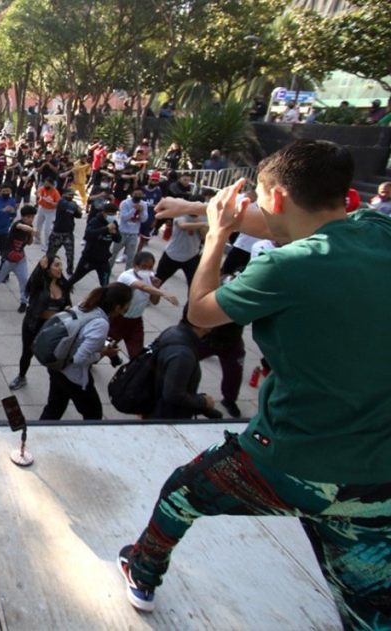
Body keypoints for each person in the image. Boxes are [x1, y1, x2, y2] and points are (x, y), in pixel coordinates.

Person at [117, 140, 391, 628]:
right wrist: (199, 207)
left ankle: (142, 571)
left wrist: (217, 235)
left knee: (183, 493)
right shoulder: (377, 227)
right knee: (366, 601)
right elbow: (282, 221)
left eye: (263, 198)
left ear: (279, 196)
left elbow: (200, 311)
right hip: (376, 474)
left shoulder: (285, 267)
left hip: (288, 463)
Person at [39, 283, 132, 420]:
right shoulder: (100, 323)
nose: (127, 308)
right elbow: (79, 359)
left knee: (54, 409)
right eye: (127, 305)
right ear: (118, 306)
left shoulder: (86, 305)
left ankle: (37, 435)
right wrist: (103, 353)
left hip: (56, 365)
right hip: (72, 375)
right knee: (93, 414)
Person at [8, 256, 71, 391]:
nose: (60, 268)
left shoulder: (63, 285)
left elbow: (68, 302)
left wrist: (67, 308)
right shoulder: (39, 284)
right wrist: (39, 268)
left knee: (54, 356)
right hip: (34, 324)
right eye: (56, 265)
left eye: (61, 265)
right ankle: (21, 376)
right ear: (47, 269)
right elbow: (30, 285)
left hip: (52, 328)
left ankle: (57, 384)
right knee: (27, 353)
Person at [149, 308, 222, 419]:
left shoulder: (172, 331)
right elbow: (173, 395)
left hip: (155, 405)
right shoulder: (183, 354)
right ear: (202, 323)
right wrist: (203, 401)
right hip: (167, 417)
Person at [110, 252, 179, 359]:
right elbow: (142, 287)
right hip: (118, 320)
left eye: (150, 267)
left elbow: (154, 301)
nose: (147, 270)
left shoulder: (150, 277)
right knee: (103, 347)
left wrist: (157, 287)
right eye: (144, 267)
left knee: (137, 355)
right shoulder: (127, 276)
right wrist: (164, 293)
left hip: (135, 322)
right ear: (135, 265)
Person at [0, 204, 37, 312]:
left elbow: (29, 242)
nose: (30, 219)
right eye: (28, 217)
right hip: (8, 260)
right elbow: (21, 227)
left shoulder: (30, 228)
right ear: (22, 217)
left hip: (20, 260)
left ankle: (23, 302)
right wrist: (31, 229)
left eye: (32, 217)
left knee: (24, 280)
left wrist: (31, 234)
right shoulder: (17, 224)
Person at [68, 203, 121, 288]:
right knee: (75, 278)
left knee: (105, 285)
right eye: (110, 214)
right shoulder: (95, 221)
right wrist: (106, 229)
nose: (113, 216)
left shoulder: (114, 223)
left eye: (114, 214)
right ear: (104, 213)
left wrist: (114, 233)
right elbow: (88, 235)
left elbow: (118, 239)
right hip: (89, 258)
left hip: (103, 260)